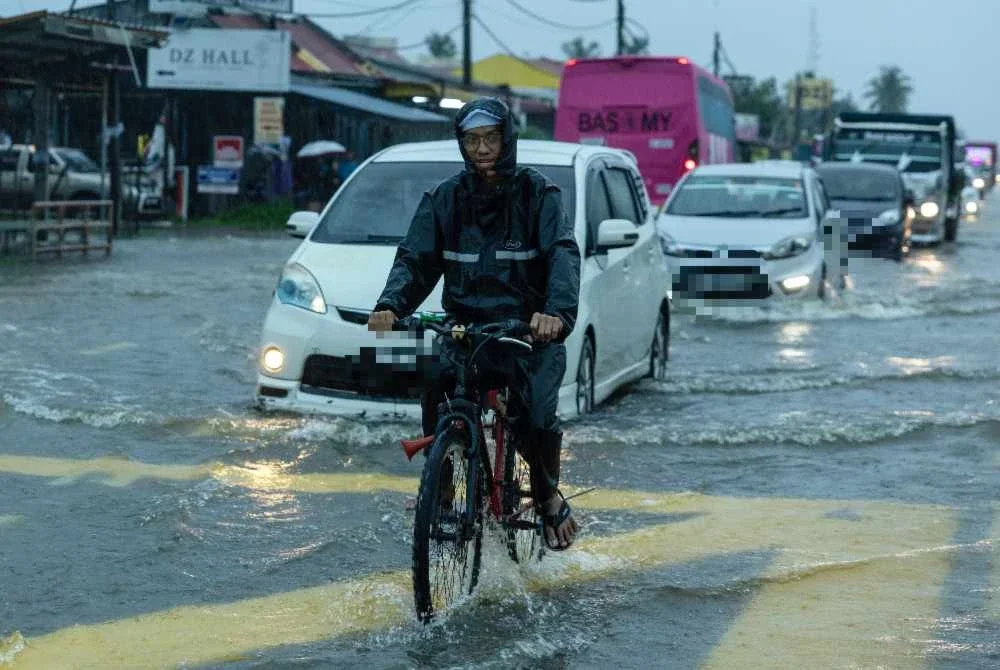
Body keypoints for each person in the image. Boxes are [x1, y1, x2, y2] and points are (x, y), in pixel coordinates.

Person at [367, 97, 581, 551]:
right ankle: (439, 488)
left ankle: (546, 496)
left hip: (526, 334)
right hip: (465, 332)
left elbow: (563, 253)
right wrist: (390, 304)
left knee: (536, 416)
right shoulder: (444, 199)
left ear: (507, 140)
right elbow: (414, 259)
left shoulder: (539, 196)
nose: (482, 148)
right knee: (435, 384)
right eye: (472, 140)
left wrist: (555, 316)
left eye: (490, 138)